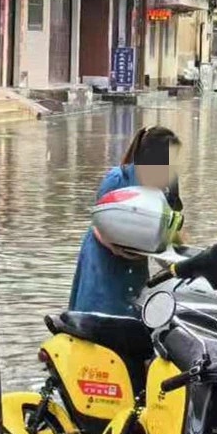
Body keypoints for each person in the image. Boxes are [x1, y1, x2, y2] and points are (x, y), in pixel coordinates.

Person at [68, 126, 184, 317]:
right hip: (104, 262)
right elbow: (97, 221)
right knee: (99, 317)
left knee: (133, 317)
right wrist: (113, 246)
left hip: (136, 266)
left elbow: (169, 230)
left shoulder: (166, 187)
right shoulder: (117, 179)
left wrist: (184, 260)